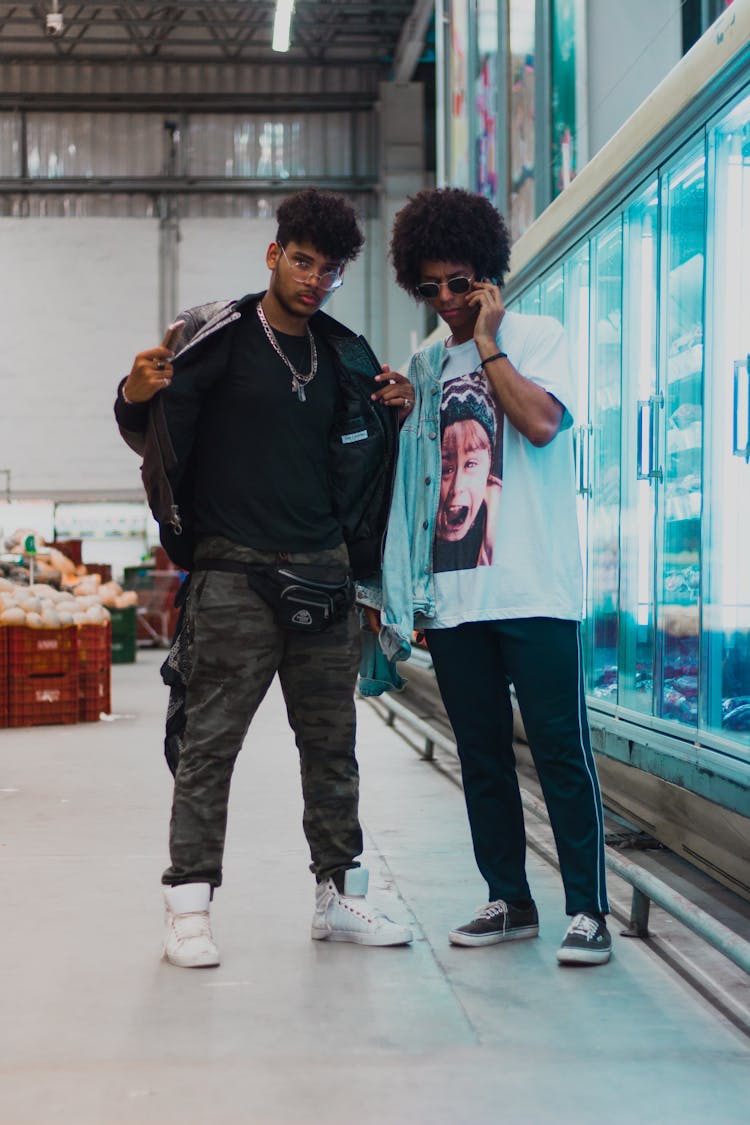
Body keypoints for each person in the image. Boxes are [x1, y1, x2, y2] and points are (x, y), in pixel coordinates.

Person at [114, 188, 415, 967]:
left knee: (332, 745)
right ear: (275, 254)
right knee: (209, 742)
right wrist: (131, 394)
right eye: (304, 261)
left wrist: (400, 412)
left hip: (323, 574)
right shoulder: (212, 336)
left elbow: (368, 458)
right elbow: (152, 426)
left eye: (332, 269)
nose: (316, 279)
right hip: (232, 574)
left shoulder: (346, 355)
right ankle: (188, 907)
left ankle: (339, 895)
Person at [377, 187, 611, 965]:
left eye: (460, 282)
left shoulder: (538, 335)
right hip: (453, 597)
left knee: (558, 753)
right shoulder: (424, 362)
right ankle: (508, 899)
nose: (445, 299)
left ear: (490, 277)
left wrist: (488, 340)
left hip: (535, 589)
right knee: (480, 756)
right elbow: (421, 481)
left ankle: (588, 911)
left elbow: (541, 425)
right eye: (431, 286)